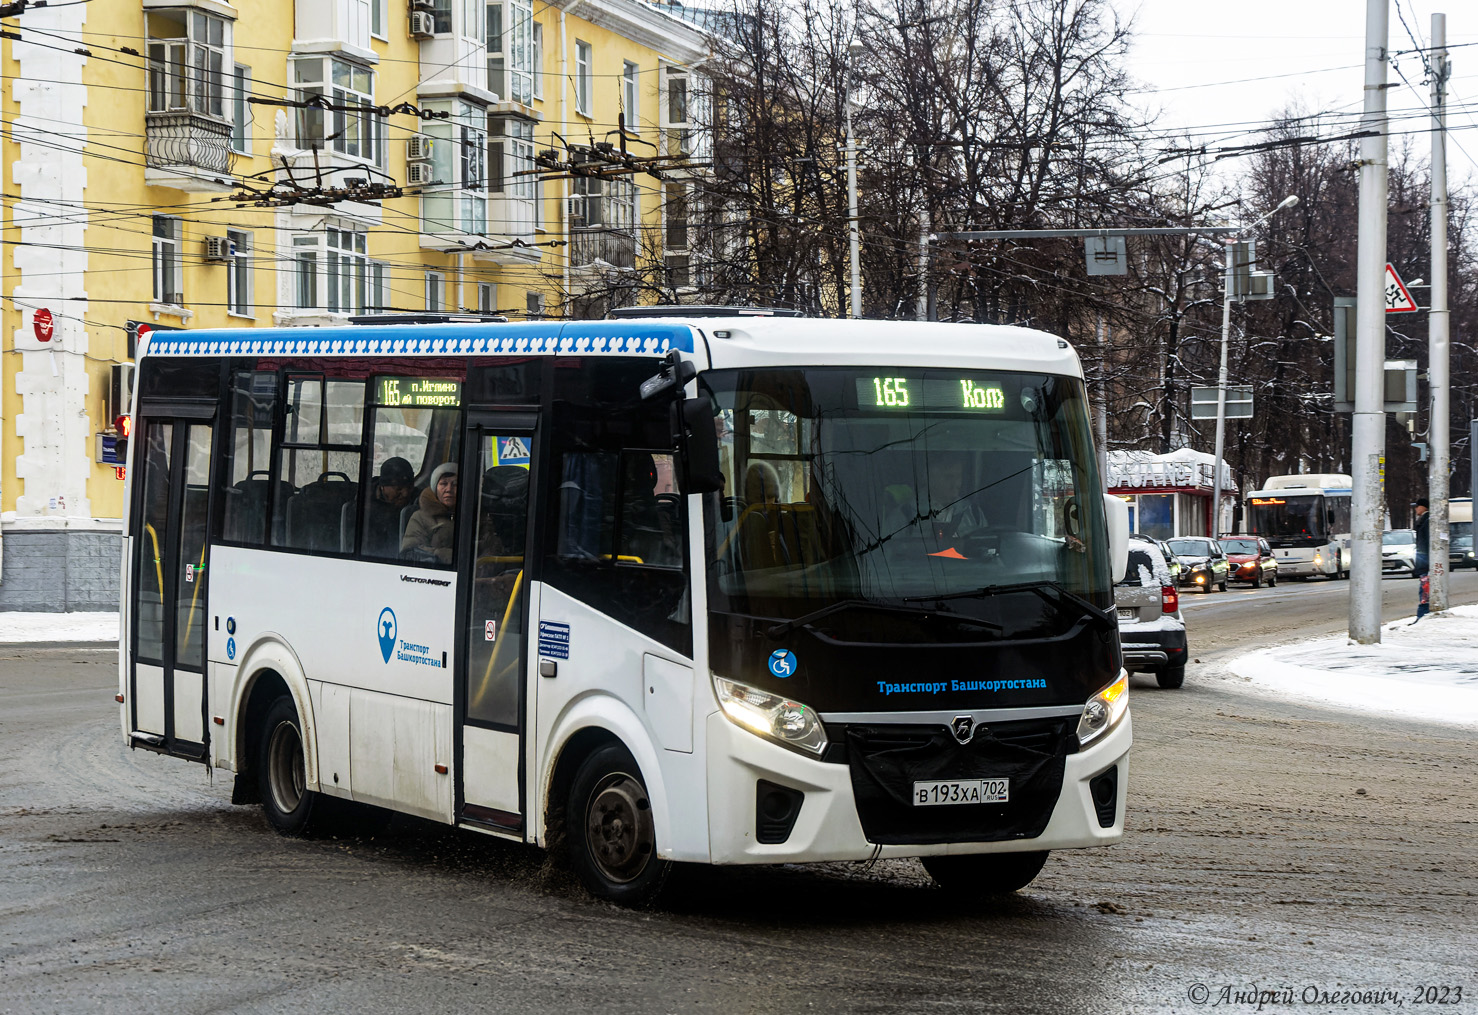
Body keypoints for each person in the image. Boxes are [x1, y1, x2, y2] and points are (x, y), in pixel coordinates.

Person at [402, 462, 457, 564]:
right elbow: (410, 552)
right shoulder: (420, 517)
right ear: (435, 488)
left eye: (455, 484)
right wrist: (445, 555)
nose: (449, 489)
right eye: (443, 484)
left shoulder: (476, 517)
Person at [365, 457, 415, 555]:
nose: (405, 493)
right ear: (383, 487)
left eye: (409, 487)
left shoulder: (418, 502)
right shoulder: (364, 506)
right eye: (398, 489)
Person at [1413, 497, 1431, 622]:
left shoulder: (1427, 521)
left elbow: (1427, 543)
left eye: (1417, 506)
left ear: (1423, 506)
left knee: (1425, 591)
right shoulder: (1424, 520)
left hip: (1426, 563)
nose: (1415, 509)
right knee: (1424, 590)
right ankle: (1422, 615)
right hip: (1425, 563)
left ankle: (1422, 616)